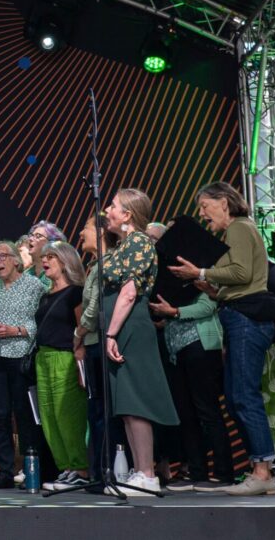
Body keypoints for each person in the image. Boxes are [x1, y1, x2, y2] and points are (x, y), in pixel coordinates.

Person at [167, 181, 275, 496]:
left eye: (205, 206)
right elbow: (239, 280)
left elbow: (242, 274)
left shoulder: (240, 228)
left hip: (246, 319)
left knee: (243, 396)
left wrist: (200, 273)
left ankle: (262, 470)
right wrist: (211, 288)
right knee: (234, 396)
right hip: (237, 316)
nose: (202, 214)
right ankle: (260, 469)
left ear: (224, 202)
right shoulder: (236, 232)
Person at [101, 189, 178, 495]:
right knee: (127, 405)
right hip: (122, 325)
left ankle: (147, 473)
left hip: (130, 326)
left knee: (137, 403)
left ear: (128, 214)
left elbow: (129, 292)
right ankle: (139, 472)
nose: (107, 210)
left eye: (113, 206)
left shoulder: (139, 242)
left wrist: (111, 333)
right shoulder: (124, 245)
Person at [147, 262, 231, 491]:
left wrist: (175, 312)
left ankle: (223, 472)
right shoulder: (165, 278)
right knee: (186, 414)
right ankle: (196, 471)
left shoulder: (202, 273)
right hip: (177, 351)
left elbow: (207, 306)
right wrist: (163, 315)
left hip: (201, 347)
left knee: (208, 410)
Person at [0, 239, 44, 488]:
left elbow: (40, 322)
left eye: (3, 256)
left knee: (24, 415)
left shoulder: (34, 286)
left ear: (16, 260)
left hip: (20, 357)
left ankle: (31, 467)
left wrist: (15, 330)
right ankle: (4, 469)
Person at [34, 242, 89, 491]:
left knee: (68, 415)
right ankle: (65, 467)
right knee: (48, 416)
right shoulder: (46, 295)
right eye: (44, 257)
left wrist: (80, 362)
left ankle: (80, 467)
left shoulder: (77, 292)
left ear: (65, 261)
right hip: (43, 358)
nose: (45, 260)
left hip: (65, 357)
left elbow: (82, 329)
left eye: (51, 257)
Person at [73, 212, 120, 490]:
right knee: (96, 411)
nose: (81, 233)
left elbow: (94, 307)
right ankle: (98, 472)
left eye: (86, 228)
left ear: (102, 232)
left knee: (104, 411)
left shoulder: (109, 263)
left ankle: (107, 472)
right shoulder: (93, 265)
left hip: (99, 343)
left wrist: (79, 332)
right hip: (91, 344)